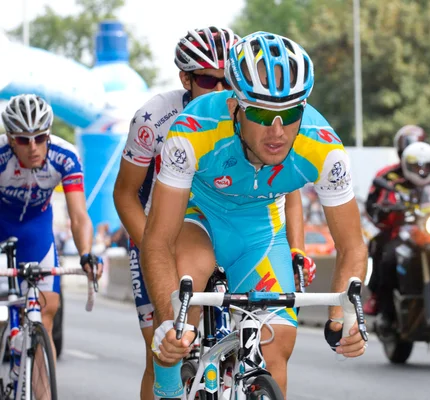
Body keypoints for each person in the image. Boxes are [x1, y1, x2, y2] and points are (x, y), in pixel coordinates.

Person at [141, 31, 367, 399]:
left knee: (277, 345)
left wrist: (344, 317)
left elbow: (352, 245)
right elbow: (157, 240)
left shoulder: (323, 147)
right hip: (198, 218)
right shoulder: (192, 131)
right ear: (235, 108)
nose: (277, 131)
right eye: (262, 114)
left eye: (291, 114)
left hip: (260, 231)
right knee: (179, 328)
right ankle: (168, 383)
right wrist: (169, 323)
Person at [113, 27, 315, 400]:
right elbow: (124, 194)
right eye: (209, 80)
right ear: (185, 79)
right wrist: (160, 253)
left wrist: (297, 248)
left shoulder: (248, 116)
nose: (222, 91)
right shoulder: (156, 117)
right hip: (159, 224)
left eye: (229, 81)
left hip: (236, 227)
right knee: (162, 345)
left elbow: (286, 187)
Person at [0, 94, 103, 360]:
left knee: (45, 315)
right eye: (23, 139)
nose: (33, 147)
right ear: (11, 139)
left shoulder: (65, 157)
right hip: (2, 226)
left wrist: (86, 254)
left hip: (36, 232)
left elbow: (79, 215)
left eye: (40, 137)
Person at [364, 126, 430, 316]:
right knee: (384, 252)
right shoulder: (386, 175)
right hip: (399, 230)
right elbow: (371, 204)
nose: (420, 169)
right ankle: (379, 298)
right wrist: (383, 211)